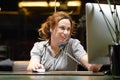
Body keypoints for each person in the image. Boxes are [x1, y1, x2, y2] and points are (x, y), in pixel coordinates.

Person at [27, 11, 102, 72]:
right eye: (62, 28)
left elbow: (90, 65)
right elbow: (31, 67)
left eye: (68, 29)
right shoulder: (39, 47)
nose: (66, 32)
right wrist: (36, 67)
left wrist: (96, 64)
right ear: (51, 28)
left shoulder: (73, 44)